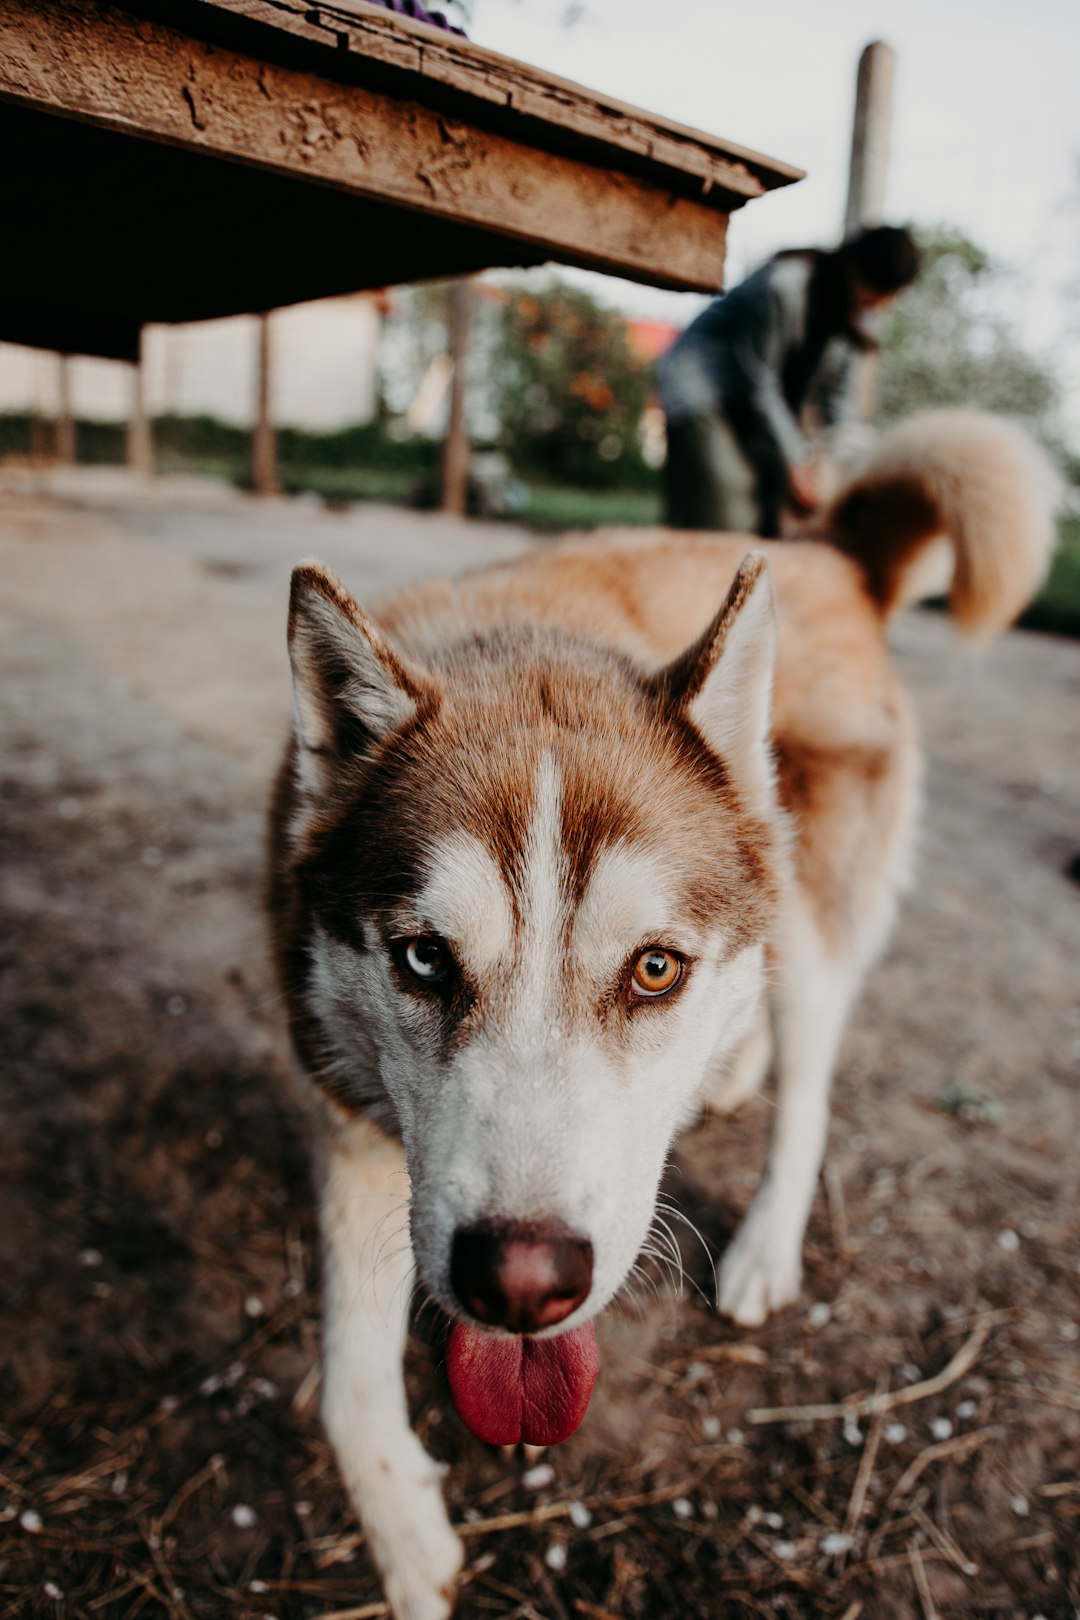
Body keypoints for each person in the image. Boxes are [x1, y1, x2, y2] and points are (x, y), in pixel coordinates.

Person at [658, 224, 921, 537]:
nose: (877, 307)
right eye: (873, 294)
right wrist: (796, 459)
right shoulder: (782, 286)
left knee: (777, 506)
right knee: (725, 504)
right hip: (703, 389)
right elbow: (757, 381)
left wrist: (858, 463)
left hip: (756, 404)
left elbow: (839, 404)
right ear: (851, 269)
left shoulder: (862, 316)